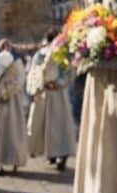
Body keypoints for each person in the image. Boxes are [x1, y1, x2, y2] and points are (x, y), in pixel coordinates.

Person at [26, 34, 78, 171]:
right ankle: (51, 154)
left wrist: (59, 83)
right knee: (44, 126)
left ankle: (62, 154)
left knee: (60, 126)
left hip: (58, 94)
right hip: (45, 93)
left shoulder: (62, 56)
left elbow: (68, 73)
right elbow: (33, 71)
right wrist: (41, 84)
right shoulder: (40, 55)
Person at [0, 40, 29, 176]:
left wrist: (10, 90)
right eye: (3, 46)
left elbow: (21, 78)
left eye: (7, 45)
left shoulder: (17, 61)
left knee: (13, 131)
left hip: (13, 101)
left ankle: (15, 161)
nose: (5, 48)